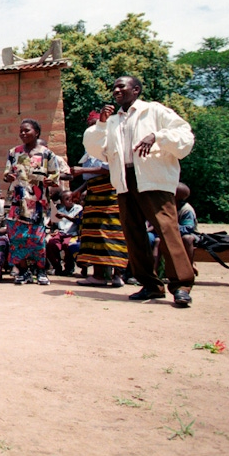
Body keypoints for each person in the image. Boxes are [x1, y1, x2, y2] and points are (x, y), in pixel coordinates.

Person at [83, 76, 196, 307]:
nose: (116, 90)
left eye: (121, 86)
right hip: (125, 181)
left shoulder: (153, 111)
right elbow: (95, 148)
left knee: (166, 230)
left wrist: (157, 136)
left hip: (153, 179)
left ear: (135, 90)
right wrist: (102, 124)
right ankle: (150, 285)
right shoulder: (113, 121)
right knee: (133, 234)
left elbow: (185, 134)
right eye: (114, 87)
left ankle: (181, 286)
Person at [3, 119, 61, 286]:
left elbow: (55, 175)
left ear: (36, 132)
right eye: (21, 131)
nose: (23, 134)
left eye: (26, 130)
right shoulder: (14, 152)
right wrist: (8, 177)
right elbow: (6, 173)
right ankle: (23, 272)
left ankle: (41, 271)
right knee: (17, 239)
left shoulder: (46, 154)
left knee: (37, 240)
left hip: (38, 203)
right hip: (17, 203)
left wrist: (50, 180)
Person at [75, 111, 128, 288]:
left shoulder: (110, 142)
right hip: (94, 193)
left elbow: (109, 169)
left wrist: (81, 172)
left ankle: (117, 274)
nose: (92, 127)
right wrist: (80, 189)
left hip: (109, 193)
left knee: (111, 231)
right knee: (94, 233)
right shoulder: (90, 146)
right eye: (90, 124)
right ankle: (98, 275)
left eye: (96, 124)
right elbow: (91, 176)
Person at [46, 190, 82, 276]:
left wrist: (65, 216)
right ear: (62, 202)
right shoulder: (60, 210)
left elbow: (78, 221)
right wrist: (53, 218)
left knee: (67, 245)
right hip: (61, 233)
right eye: (67, 199)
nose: (70, 201)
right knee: (51, 243)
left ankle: (69, 268)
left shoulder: (78, 208)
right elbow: (51, 225)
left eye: (71, 198)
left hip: (73, 233)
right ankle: (57, 267)